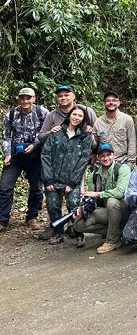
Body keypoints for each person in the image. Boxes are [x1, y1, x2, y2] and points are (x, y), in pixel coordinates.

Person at [40, 106, 94, 244]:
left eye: (80, 116)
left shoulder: (85, 137)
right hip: (53, 178)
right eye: (74, 114)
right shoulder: (56, 133)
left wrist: (72, 182)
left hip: (72, 179)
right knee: (53, 205)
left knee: (73, 204)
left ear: (84, 119)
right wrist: (48, 179)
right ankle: (58, 233)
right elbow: (46, 155)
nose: (76, 117)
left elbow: (83, 160)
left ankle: (78, 232)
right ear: (69, 115)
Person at [0, 87, 48, 232]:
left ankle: (31, 217)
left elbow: (45, 133)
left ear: (34, 98)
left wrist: (35, 145)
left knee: (36, 188)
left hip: (35, 155)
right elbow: (6, 136)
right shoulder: (12, 114)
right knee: (5, 187)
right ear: (19, 99)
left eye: (28, 98)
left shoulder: (43, 113)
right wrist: (7, 153)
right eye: (22, 98)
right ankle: (2, 220)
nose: (25, 101)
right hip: (16, 155)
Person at [73, 142, 131, 253]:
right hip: (106, 211)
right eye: (102, 156)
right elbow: (91, 200)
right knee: (78, 224)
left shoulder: (123, 169)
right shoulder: (94, 174)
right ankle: (116, 232)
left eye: (108, 155)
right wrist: (83, 209)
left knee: (112, 202)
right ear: (98, 158)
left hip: (124, 210)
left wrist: (98, 194)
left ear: (113, 155)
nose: (106, 158)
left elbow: (119, 193)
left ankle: (112, 240)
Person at [94, 91, 137, 166]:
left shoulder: (127, 119)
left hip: (122, 161)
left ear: (119, 103)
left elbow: (132, 142)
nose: (111, 103)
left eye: (114, 100)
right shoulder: (98, 122)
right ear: (104, 103)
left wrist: (131, 162)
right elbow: (94, 145)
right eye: (108, 101)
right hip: (104, 162)